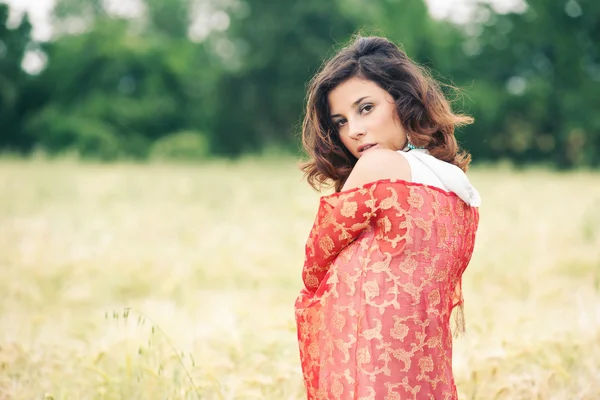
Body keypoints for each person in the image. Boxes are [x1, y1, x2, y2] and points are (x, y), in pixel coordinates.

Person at [295, 35, 481, 400]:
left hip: (369, 353)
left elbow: (316, 257)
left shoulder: (378, 165)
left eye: (366, 108)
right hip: (424, 356)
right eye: (340, 121)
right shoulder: (456, 185)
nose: (353, 130)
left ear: (403, 99)